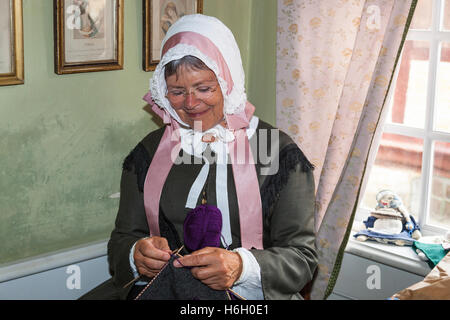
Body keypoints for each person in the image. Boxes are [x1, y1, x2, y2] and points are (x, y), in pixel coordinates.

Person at [80, 14, 317, 300]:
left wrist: (241, 267)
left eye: (204, 88)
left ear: (228, 81)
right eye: (177, 92)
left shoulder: (280, 155)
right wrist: (136, 254)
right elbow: (122, 239)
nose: (190, 104)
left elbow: (302, 258)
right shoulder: (146, 154)